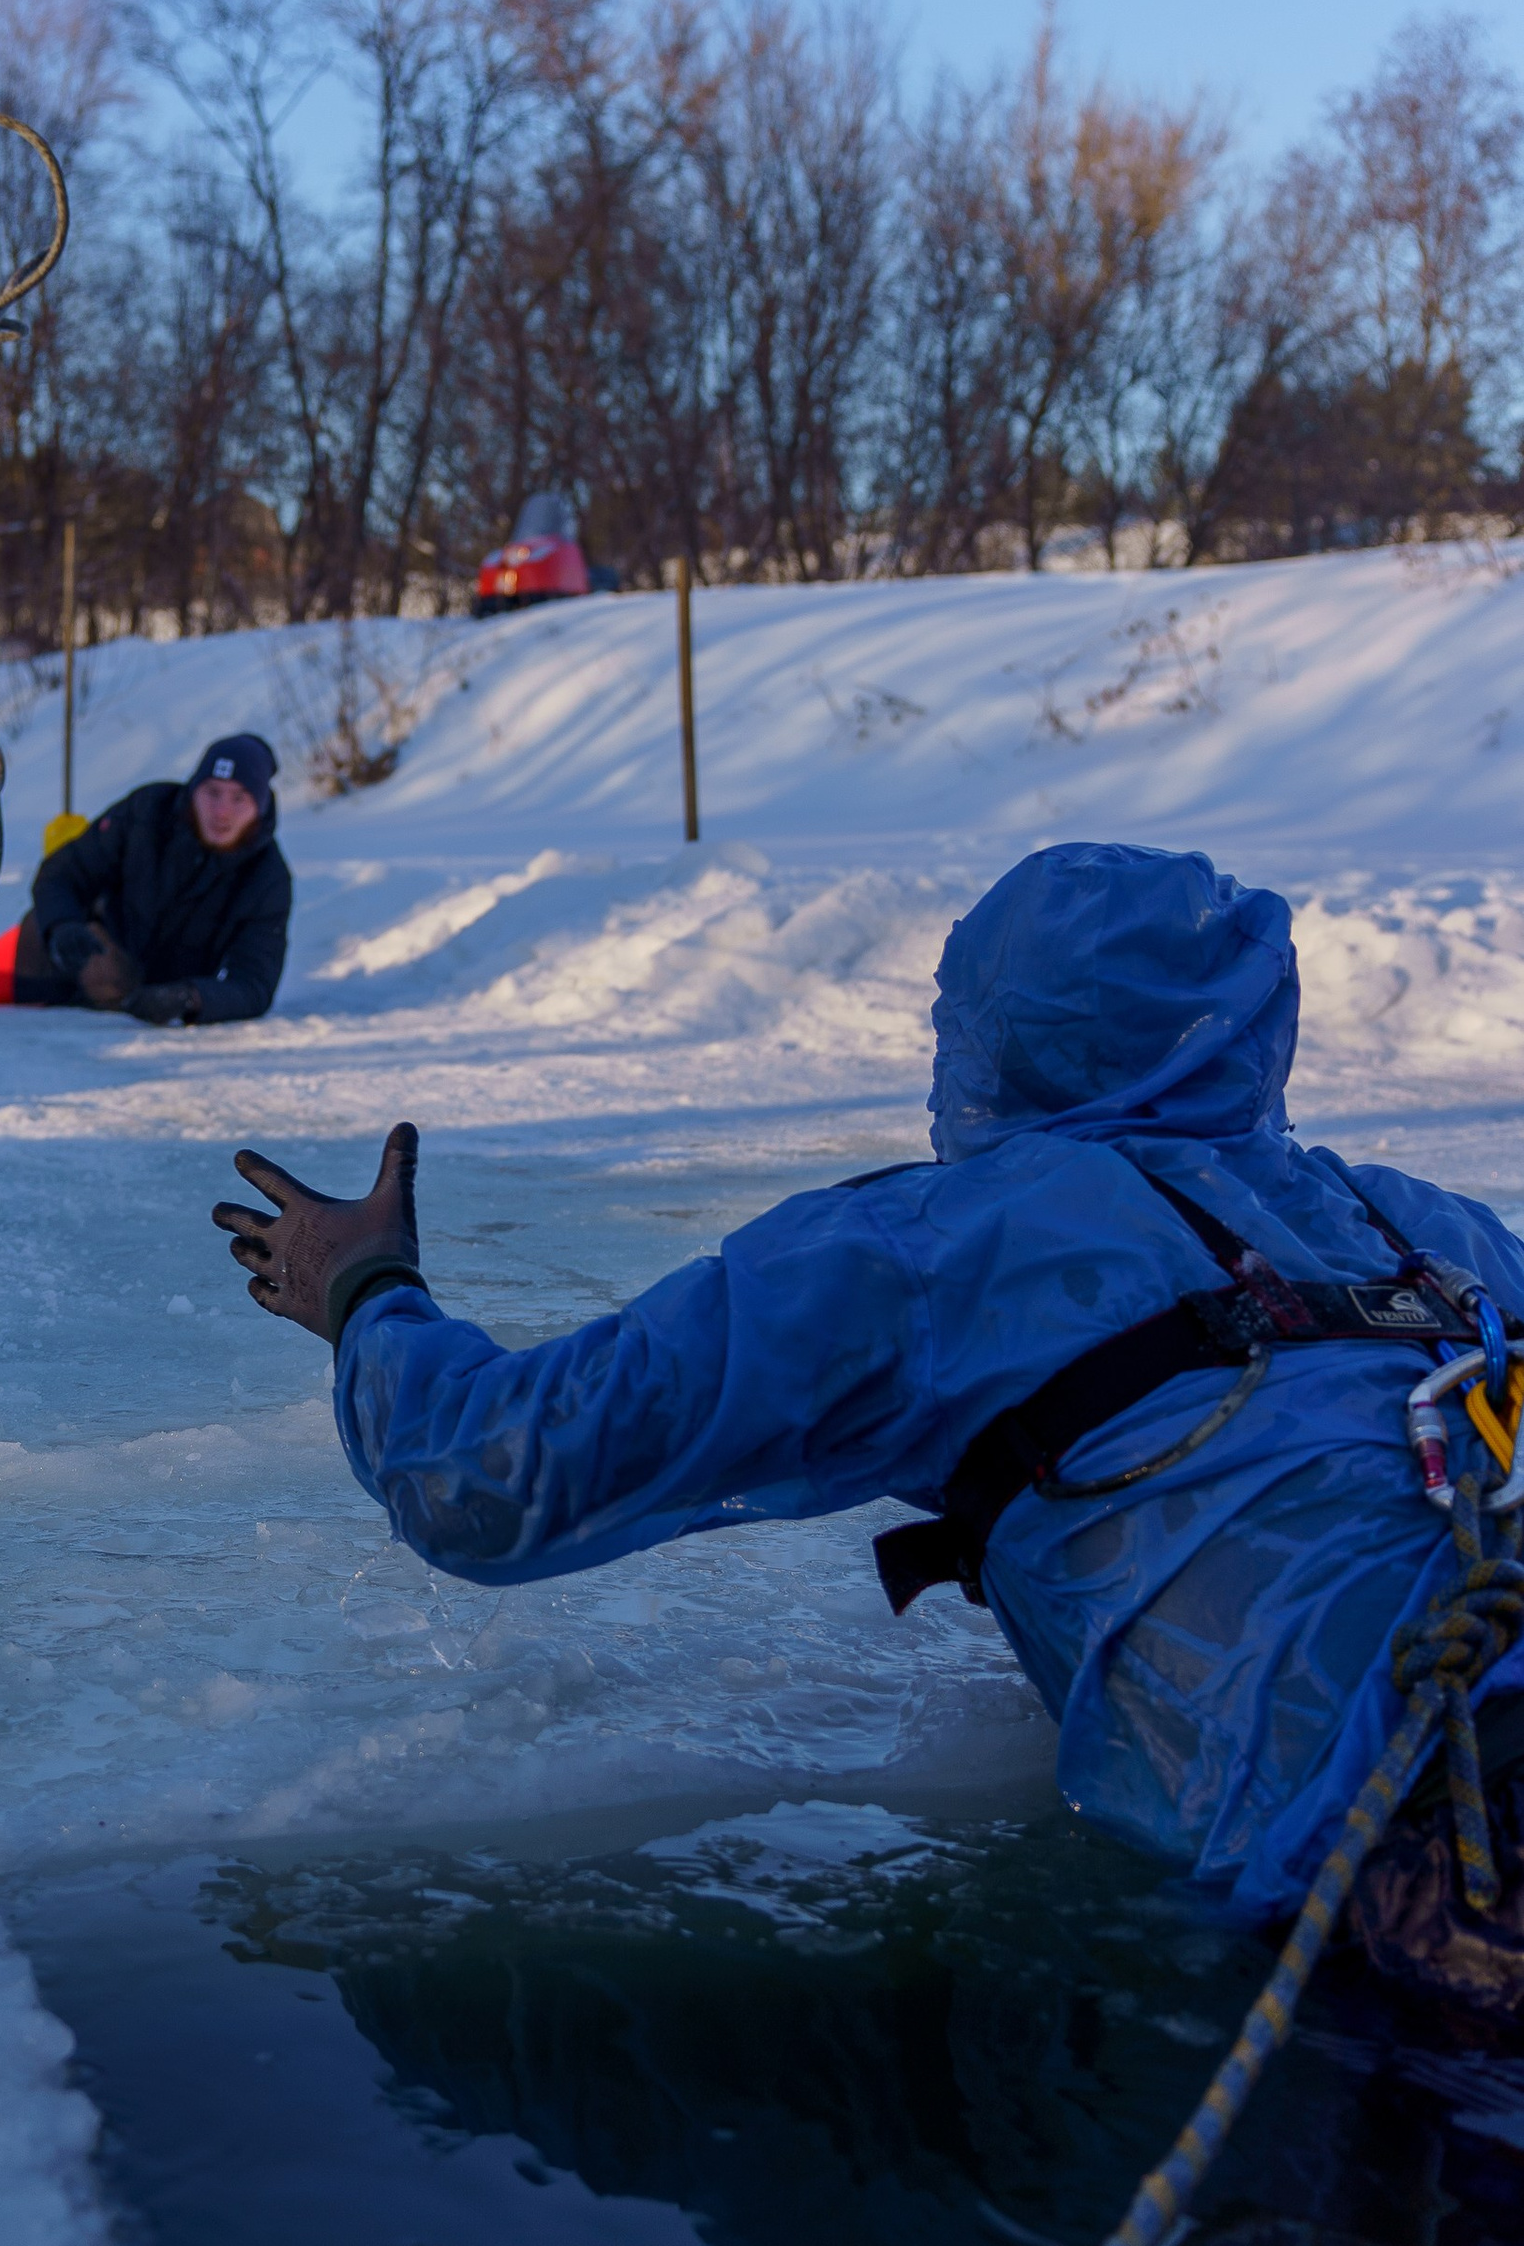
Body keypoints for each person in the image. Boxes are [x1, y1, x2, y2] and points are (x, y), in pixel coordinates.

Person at [213, 842, 1524, 2022]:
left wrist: (364, 1289)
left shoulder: (932, 1252)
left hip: (1414, 1860)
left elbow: (487, 1473)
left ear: (991, 1041)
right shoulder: (1434, 1230)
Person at [0, 733, 291, 1021]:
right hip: (88, 947)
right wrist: (61, 926)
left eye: (239, 798)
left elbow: (254, 985)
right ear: (193, 790)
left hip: (151, 994)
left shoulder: (268, 877)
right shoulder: (148, 811)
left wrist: (192, 999)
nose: (221, 812)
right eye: (212, 792)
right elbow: (62, 873)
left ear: (260, 806)